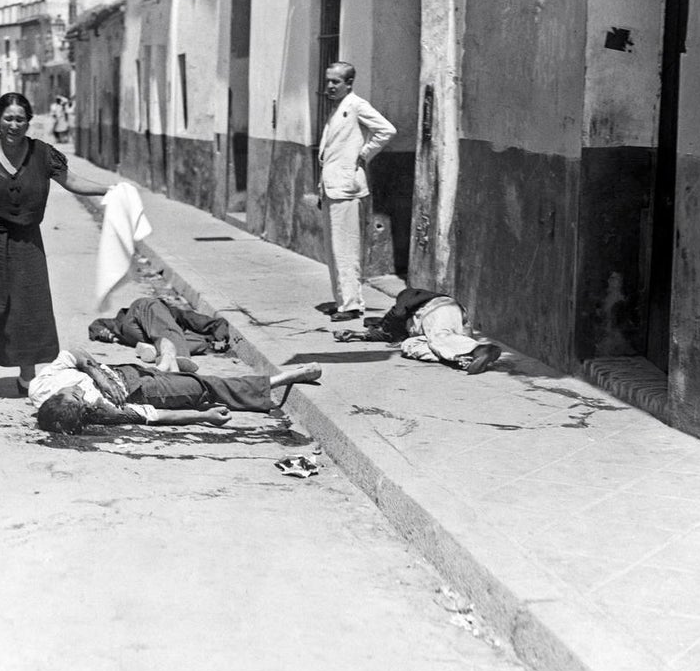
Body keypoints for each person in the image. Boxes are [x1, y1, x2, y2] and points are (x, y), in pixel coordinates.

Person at [0, 92, 110, 403]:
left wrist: (108, 189)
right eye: (8, 118)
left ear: (29, 122)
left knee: (28, 302)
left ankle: (27, 375)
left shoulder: (42, 153)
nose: (13, 125)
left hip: (26, 237)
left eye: (20, 119)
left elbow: (70, 180)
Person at [30, 348, 322, 433]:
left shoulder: (40, 386)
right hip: (143, 390)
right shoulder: (97, 410)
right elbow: (152, 415)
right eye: (81, 400)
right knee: (207, 387)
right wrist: (202, 418)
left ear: (54, 396)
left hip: (118, 370)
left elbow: (73, 353)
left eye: (74, 392)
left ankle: (167, 364)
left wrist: (94, 373)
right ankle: (281, 379)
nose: (81, 393)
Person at [317, 62, 396, 322]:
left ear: (349, 83)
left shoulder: (356, 105)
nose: (330, 86)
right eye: (328, 81)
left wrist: (364, 154)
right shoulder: (336, 109)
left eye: (335, 82)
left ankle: (351, 305)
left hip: (347, 189)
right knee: (333, 250)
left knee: (346, 249)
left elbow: (386, 130)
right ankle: (342, 301)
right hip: (332, 188)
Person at [334, 288, 502, 375]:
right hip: (438, 329)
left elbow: (396, 315)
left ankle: (480, 349)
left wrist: (386, 324)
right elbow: (386, 334)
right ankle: (465, 356)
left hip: (439, 309)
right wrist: (358, 335)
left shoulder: (409, 296)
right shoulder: (401, 328)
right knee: (409, 345)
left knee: (439, 338)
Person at [88, 297, 230, 372]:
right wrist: (103, 333)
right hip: (136, 319)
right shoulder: (158, 308)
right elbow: (97, 324)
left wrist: (220, 339)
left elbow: (217, 323)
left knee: (201, 343)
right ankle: (177, 357)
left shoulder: (179, 316)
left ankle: (157, 351)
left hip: (148, 338)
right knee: (152, 307)